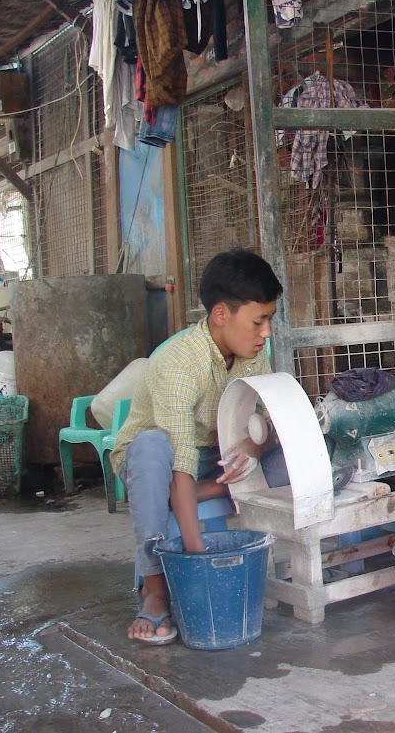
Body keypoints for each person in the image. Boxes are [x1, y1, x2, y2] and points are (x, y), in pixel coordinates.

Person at [111, 248, 286, 645]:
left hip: (215, 455)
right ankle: (153, 587)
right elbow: (181, 460)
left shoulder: (255, 356)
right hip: (159, 460)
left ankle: (299, 553)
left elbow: (268, 423)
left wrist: (254, 449)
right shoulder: (178, 362)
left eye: (269, 321)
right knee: (154, 447)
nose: (267, 333)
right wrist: (200, 561)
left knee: (291, 451)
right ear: (221, 314)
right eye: (259, 321)